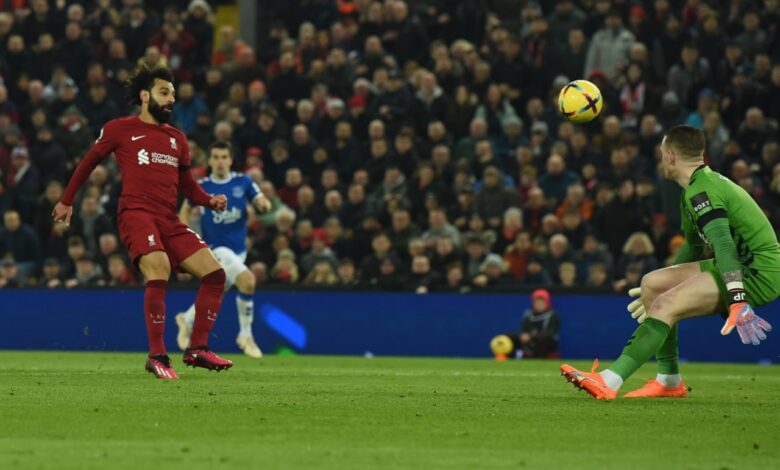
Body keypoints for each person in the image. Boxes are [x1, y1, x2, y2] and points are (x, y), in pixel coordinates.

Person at [561, 125, 778, 400]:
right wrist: (670, 281)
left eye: (662, 153)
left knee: (665, 305)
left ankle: (610, 380)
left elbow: (723, 244)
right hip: (743, 262)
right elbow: (694, 246)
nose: (661, 158)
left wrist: (737, 297)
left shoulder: (703, 192)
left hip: (759, 270)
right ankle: (669, 380)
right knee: (653, 284)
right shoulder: (694, 188)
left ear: (671, 156)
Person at [52, 65, 233, 380]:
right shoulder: (119, 129)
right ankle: (157, 355)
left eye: (173, 94)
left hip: (168, 218)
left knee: (215, 274)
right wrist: (67, 199)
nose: (171, 100)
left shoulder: (177, 139)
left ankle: (197, 349)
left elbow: (187, 185)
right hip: (136, 213)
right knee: (159, 267)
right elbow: (89, 161)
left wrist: (208, 200)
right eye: (165, 93)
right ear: (145, 95)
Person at [176, 140, 272, 358]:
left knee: (217, 291)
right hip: (215, 248)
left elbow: (259, 198)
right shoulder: (203, 185)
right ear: (209, 160)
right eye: (216, 157)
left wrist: (264, 204)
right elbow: (185, 209)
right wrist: (185, 238)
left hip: (239, 250)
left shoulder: (243, 181)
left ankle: (187, 319)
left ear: (230, 160)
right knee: (248, 281)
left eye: (224, 157)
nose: (220, 162)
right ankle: (245, 336)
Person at [490, 289, 560, 360]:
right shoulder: (528, 314)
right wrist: (523, 336)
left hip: (543, 341)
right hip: (528, 340)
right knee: (506, 336)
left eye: (542, 302)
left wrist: (532, 336)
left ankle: (536, 358)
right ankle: (504, 356)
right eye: (537, 302)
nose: (539, 305)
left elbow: (551, 332)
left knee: (545, 341)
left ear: (547, 302)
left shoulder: (552, 315)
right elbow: (524, 330)